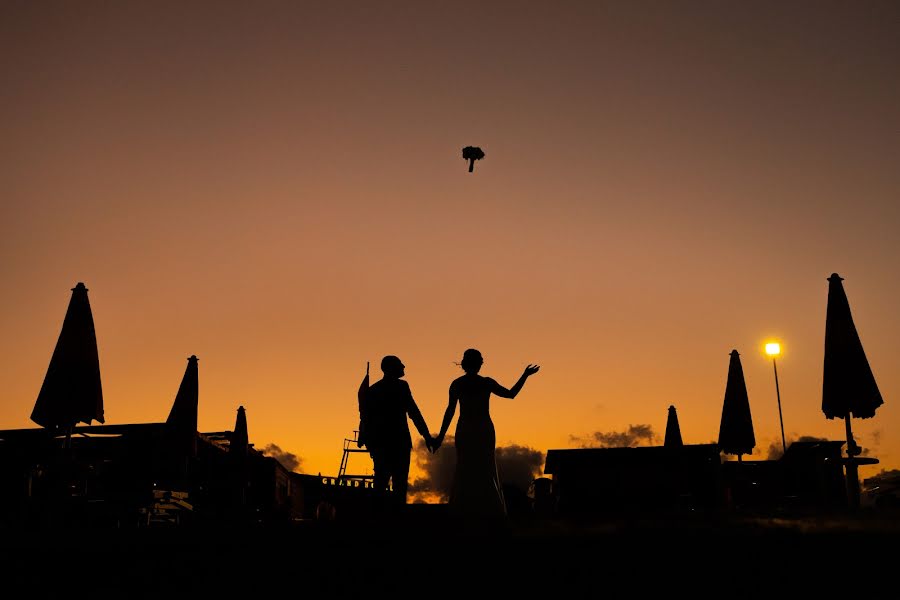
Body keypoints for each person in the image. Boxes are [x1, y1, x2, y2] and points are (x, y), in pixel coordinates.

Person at [434, 349, 540, 518]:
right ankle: (486, 509)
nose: (483, 362)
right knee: (484, 467)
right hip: (483, 429)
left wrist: (440, 436)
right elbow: (511, 394)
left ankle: (463, 508)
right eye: (481, 360)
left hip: (465, 429)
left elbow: (450, 412)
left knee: (465, 467)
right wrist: (525, 375)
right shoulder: (486, 383)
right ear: (477, 363)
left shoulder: (457, 383)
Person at [364, 355, 435, 509]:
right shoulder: (402, 386)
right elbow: (414, 412)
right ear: (391, 368)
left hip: (381, 444)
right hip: (399, 443)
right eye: (400, 365)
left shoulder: (373, 390)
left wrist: (369, 441)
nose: (403, 367)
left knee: (380, 484)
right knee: (399, 486)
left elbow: (367, 418)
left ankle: (379, 519)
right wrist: (426, 436)